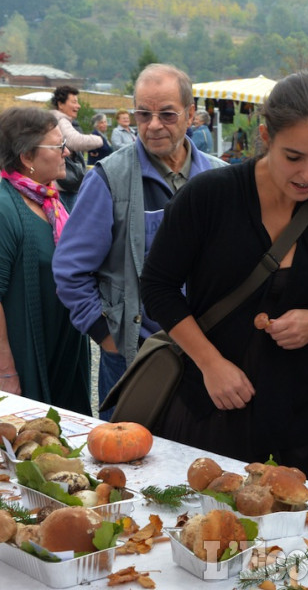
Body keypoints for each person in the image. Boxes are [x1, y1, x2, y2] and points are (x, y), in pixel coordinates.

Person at [139, 72, 308, 484]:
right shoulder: (208, 197)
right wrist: (210, 364)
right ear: (265, 136)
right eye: (294, 156)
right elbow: (157, 286)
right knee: (208, 538)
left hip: (305, 422)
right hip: (211, 410)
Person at [53, 64, 226, 421]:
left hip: (211, 357)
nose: (153, 125)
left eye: (167, 114)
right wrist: (107, 334)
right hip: (136, 357)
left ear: (191, 114)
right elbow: (70, 269)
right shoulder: (109, 179)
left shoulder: (221, 179)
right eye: (143, 114)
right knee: (128, 463)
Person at [0, 107, 91, 415]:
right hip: (24, 354)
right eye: (56, 146)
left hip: (61, 347)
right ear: (26, 157)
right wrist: (6, 372)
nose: (66, 152)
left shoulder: (50, 201)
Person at [50, 86, 102, 210]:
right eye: (74, 102)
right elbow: (74, 141)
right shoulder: (61, 120)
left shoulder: (56, 119)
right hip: (63, 186)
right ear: (60, 104)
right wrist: (100, 140)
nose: (78, 106)